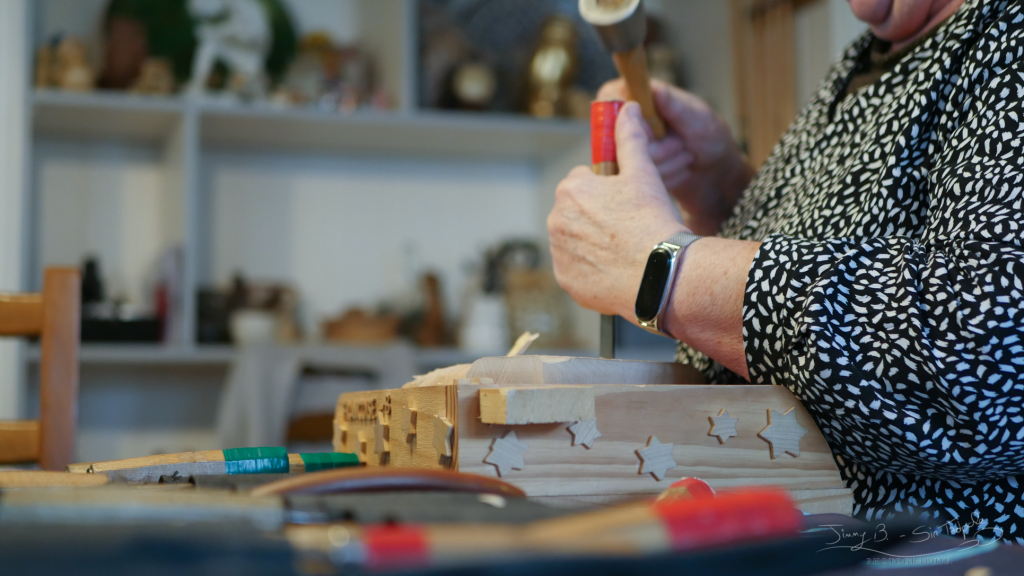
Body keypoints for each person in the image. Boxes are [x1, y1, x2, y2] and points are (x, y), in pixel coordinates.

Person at [548, 0, 1024, 541]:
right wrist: (723, 191)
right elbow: (830, 278)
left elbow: (987, 359)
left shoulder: (1007, 32)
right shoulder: (871, 54)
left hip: (940, 555)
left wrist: (664, 268)